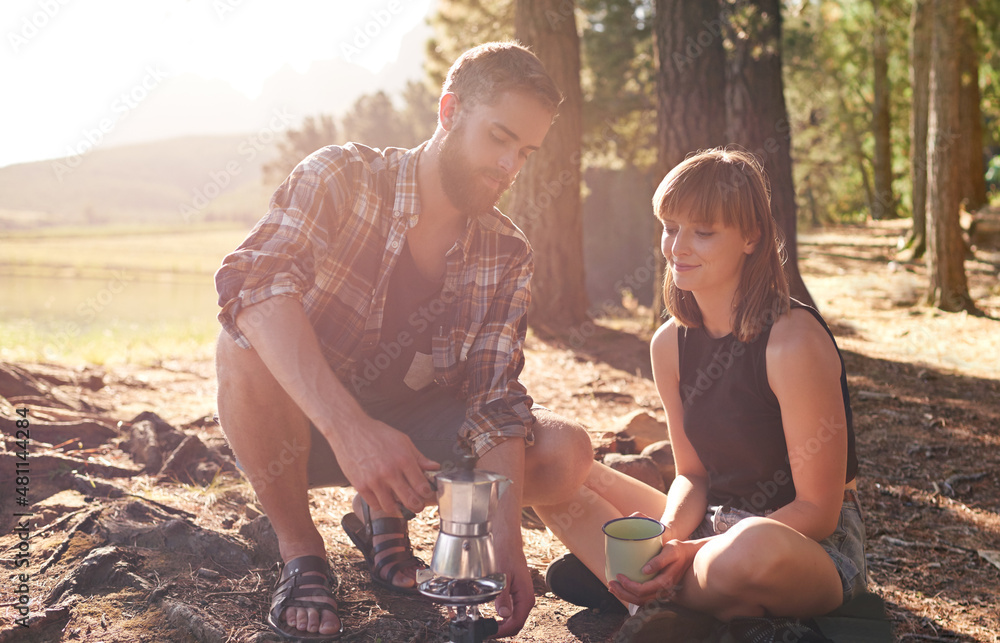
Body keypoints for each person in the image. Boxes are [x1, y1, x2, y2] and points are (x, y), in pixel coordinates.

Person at [214, 41, 594, 642]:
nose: (508, 166)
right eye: (498, 137)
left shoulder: (508, 250)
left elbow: (494, 400)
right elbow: (250, 284)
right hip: (298, 427)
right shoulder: (341, 175)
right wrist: (352, 430)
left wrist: (505, 538)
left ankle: (380, 510)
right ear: (448, 112)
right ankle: (302, 550)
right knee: (243, 341)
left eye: (524, 152)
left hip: (410, 441)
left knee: (563, 452)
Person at [536, 149, 866, 642]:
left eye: (703, 232)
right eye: (670, 227)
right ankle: (679, 600)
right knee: (549, 466)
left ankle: (639, 591)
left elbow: (818, 511)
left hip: (802, 546)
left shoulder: (793, 341)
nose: (677, 247)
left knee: (748, 550)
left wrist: (691, 552)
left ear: (751, 236)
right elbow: (692, 475)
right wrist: (667, 535)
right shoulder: (669, 343)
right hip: (709, 528)